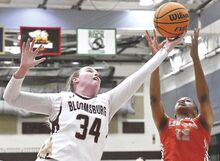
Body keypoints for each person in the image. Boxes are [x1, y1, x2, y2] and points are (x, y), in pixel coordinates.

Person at [3, 35, 182, 161]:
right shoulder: (60, 100)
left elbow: (137, 77)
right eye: (90, 71)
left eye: (98, 73)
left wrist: (166, 50)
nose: (96, 74)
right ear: (75, 80)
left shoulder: (106, 102)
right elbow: (11, 98)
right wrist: (23, 69)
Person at [146, 28, 214, 161]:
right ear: (174, 113)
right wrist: (156, 60)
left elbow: (204, 98)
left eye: (188, 100)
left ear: (196, 113)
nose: (182, 100)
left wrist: (195, 58)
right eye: (180, 101)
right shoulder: (165, 123)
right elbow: (154, 100)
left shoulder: (202, 123)